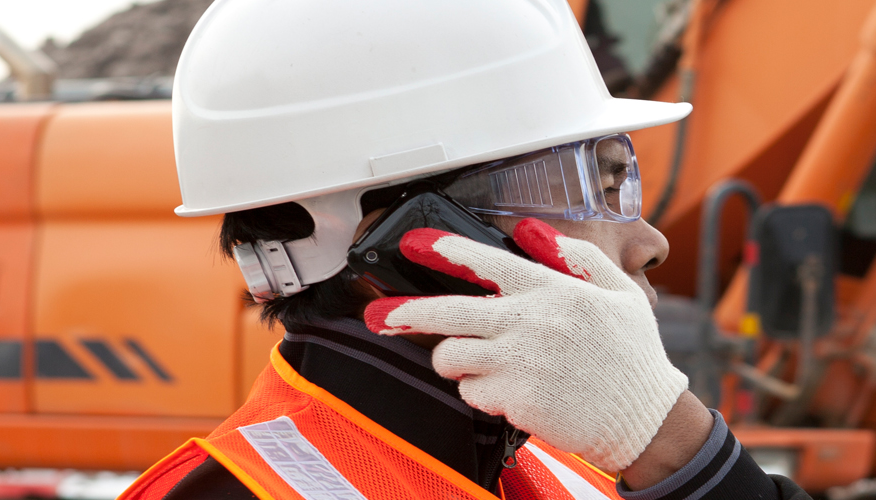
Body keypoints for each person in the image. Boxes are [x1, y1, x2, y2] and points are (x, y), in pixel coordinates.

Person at [117, 0, 807, 498]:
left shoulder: (575, 465)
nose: (651, 242)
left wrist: (672, 445)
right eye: (592, 188)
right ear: (415, 240)